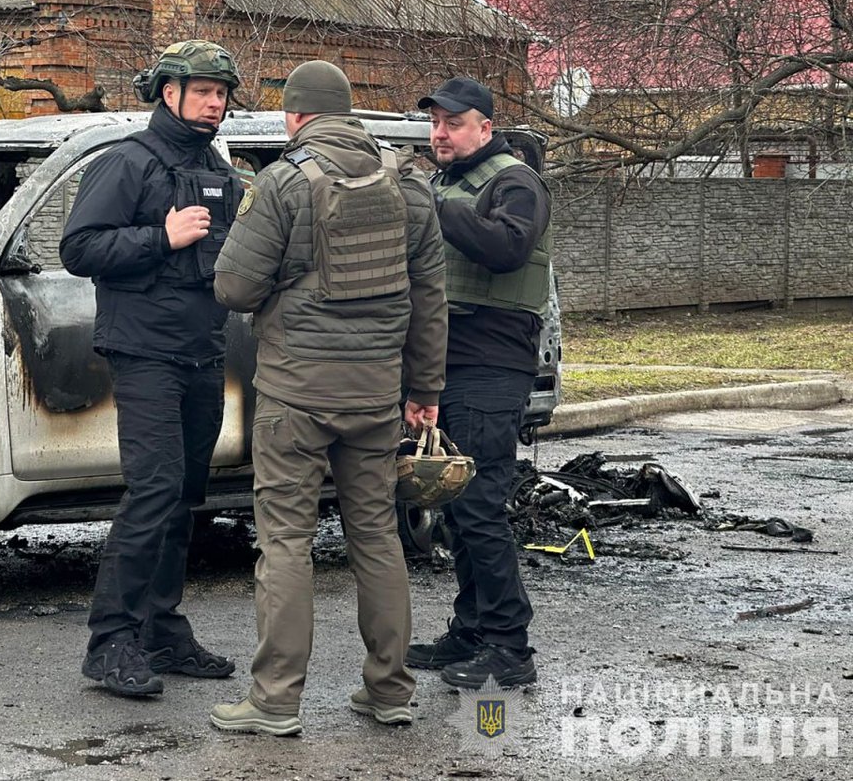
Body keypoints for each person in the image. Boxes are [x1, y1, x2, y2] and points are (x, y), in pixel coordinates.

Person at [208, 60, 448, 735]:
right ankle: (390, 690)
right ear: (347, 113)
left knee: (286, 541)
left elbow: (233, 288)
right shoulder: (409, 182)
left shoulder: (283, 182)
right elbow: (431, 298)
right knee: (376, 535)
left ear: (295, 116)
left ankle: (275, 700)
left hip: (295, 395)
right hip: (376, 395)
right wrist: (425, 388)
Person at [60, 40, 243, 698]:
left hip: (203, 352)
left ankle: (162, 630)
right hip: (145, 355)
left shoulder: (220, 170)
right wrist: (160, 237)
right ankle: (110, 641)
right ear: (170, 92)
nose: (215, 104)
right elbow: (79, 248)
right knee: (154, 490)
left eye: (222, 94)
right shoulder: (127, 162)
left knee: (185, 496)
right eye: (204, 91)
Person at [405, 77, 552, 690]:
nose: (440, 133)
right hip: (448, 363)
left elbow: (508, 248)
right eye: (435, 122)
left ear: (485, 128)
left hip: (491, 363)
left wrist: (431, 208)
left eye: (454, 123)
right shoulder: (446, 182)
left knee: (479, 505)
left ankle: (510, 646)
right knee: (456, 506)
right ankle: (471, 630)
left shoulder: (515, 182)